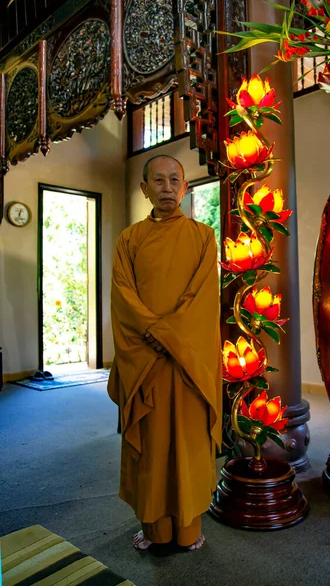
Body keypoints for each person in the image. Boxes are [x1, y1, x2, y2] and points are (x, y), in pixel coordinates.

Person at [108, 155, 222, 551]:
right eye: (158, 180)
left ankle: (188, 530)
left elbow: (204, 300)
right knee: (154, 450)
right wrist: (157, 332)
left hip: (187, 364)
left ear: (186, 187)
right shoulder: (129, 239)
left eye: (175, 180)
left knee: (187, 447)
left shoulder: (204, 237)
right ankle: (156, 531)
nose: (167, 187)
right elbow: (123, 298)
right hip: (147, 364)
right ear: (144, 189)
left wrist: (164, 334)